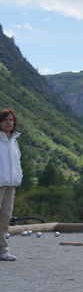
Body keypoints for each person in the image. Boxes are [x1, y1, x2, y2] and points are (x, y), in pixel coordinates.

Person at [0, 108, 23, 262]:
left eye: (11, 120)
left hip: (10, 185)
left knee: (5, 219)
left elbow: (17, 162)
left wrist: (18, 178)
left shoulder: (14, 140)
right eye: (5, 119)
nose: (9, 122)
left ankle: (2, 250)